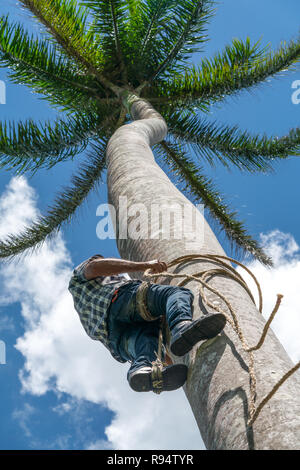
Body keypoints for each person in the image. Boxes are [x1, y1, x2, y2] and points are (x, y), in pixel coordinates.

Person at [68, 254, 226, 394]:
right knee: (176, 293)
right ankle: (181, 325)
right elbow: (95, 267)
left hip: (116, 339)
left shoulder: (82, 304)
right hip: (118, 300)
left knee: (147, 344)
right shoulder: (82, 274)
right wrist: (146, 265)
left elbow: (158, 346)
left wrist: (167, 360)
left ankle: (142, 368)